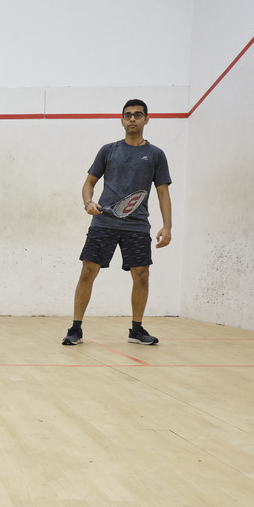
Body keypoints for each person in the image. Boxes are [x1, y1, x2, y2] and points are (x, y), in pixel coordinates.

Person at [62, 99, 172, 346]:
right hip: (104, 223)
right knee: (88, 271)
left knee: (141, 275)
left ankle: (136, 330)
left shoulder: (155, 155)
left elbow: (163, 192)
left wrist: (167, 226)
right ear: (122, 120)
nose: (132, 119)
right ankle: (75, 329)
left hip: (137, 226)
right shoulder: (108, 150)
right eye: (128, 115)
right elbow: (89, 182)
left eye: (137, 115)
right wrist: (88, 203)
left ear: (146, 119)